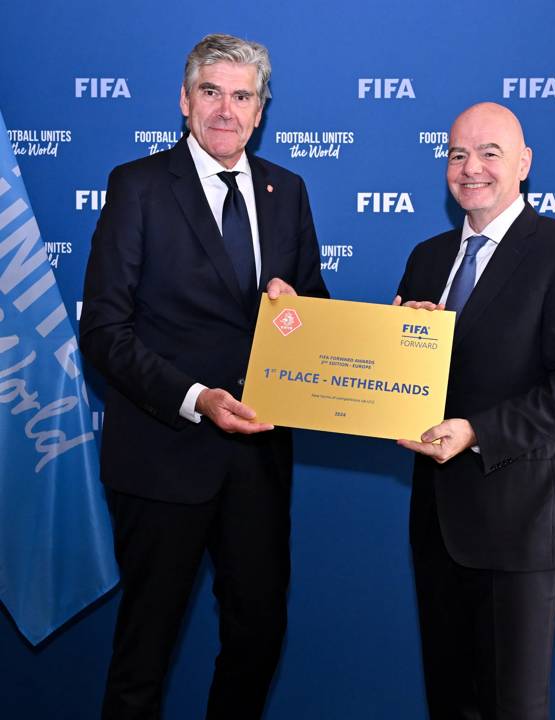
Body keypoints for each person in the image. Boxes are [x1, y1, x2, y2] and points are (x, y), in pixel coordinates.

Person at [80, 34, 328, 720]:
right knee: (144, 656)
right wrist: (195, 399)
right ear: (185, 102)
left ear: (261, 108)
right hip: (163, 458)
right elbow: (103, 329)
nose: (227, 110)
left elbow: (316, 313)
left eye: (242, 95)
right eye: (211, 92)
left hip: (258, 462)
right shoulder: (137, 186)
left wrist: (308, 314)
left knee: (257, 639)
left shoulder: (289, 190)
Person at [394, 102, 555, 720]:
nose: (471, 168)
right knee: (451, 702)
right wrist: (395, 360)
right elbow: (413, 379)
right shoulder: (428, 258)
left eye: (490, 153)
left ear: (524, 164)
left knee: (511, 708)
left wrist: (478, 432)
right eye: (458, 154)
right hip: (438, 522)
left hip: (523, 525)